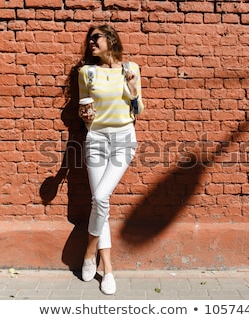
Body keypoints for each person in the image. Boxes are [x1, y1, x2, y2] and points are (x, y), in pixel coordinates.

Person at [77, 24, 144, 295]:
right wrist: (86, 119)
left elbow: (138, 109)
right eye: (89, 40)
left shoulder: (131, 68)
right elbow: (84, 109)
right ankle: (108, 269)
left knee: (101, 197)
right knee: (100, 200)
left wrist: (132, 89)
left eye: (97, 38)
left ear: (111, 40)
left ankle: (89, 251)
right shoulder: (87, 72)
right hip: (96, 139)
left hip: (123, 139)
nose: (91, 43)